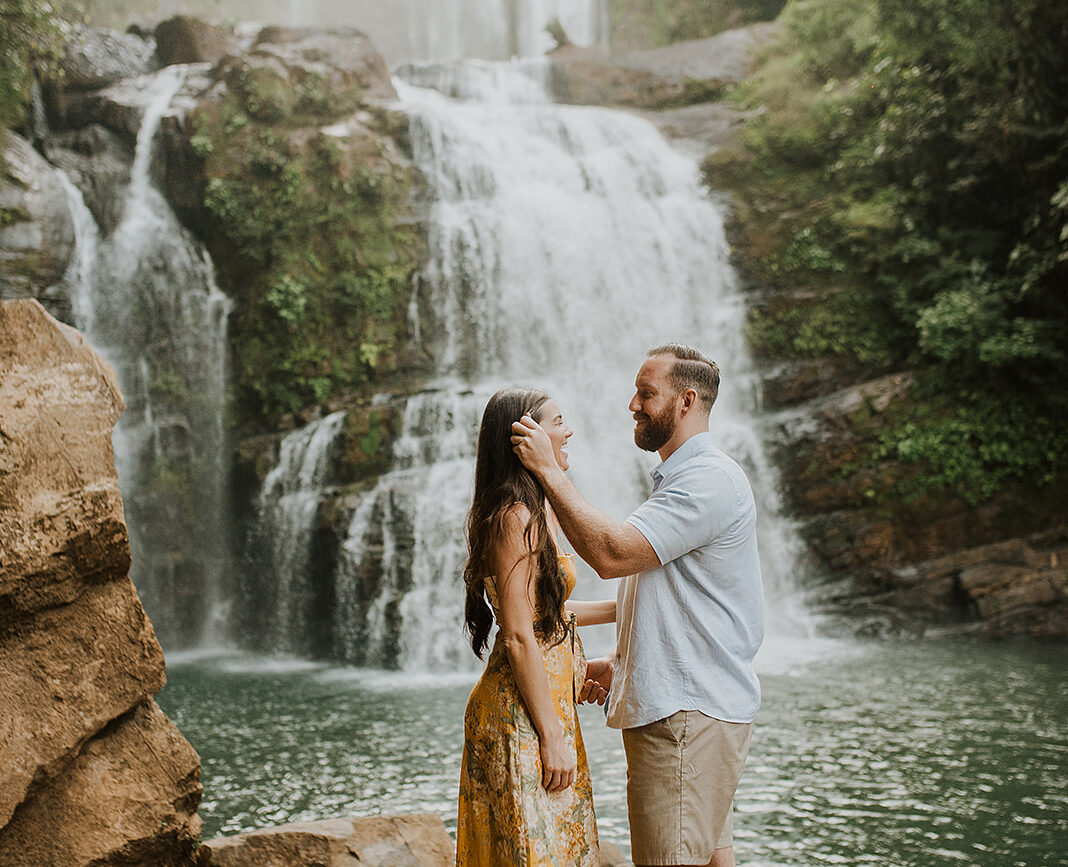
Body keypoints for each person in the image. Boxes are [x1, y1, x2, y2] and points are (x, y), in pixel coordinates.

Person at [510, 344, 765, 867]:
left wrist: (549, 474)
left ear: (687, 400)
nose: (633, 404)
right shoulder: (682, 479)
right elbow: (673, 599)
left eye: (647, 394)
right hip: (696, 714)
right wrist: (623, 663)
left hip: (685, 721)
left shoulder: (706, 480)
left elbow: (611, 555)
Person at [455, 387, 614, 867]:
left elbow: (549, 616)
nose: (568, 431)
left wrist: (625, 609)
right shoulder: (513, 517)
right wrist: (551, 736)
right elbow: (520, 636)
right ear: (525, 438)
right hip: (521, 716)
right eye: (558, 421)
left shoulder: (539, 510)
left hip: (546, 708)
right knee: (532, 852)